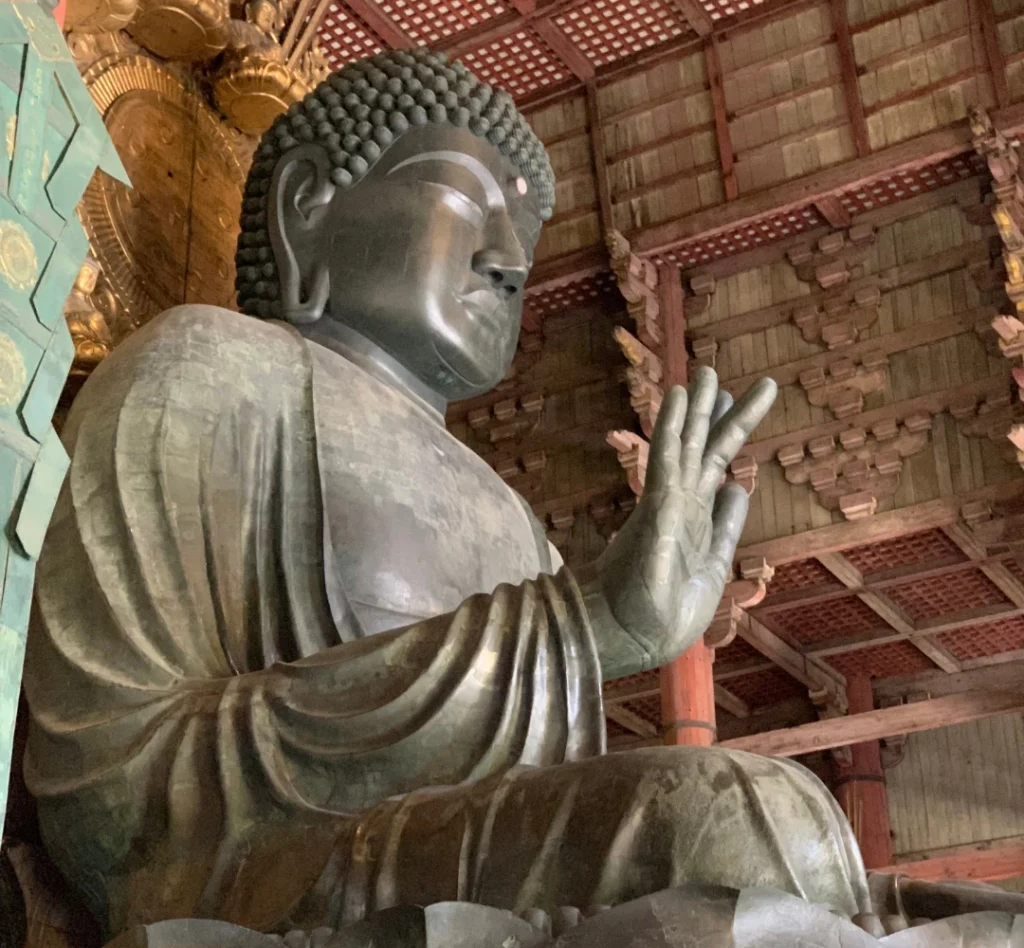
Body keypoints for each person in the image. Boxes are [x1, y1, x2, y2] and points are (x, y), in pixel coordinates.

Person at [24, 50, 870, 941]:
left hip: (456, 867)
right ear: (307, 204)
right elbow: (109, 795)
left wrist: (579, 627)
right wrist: (582, 627)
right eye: (468, 202)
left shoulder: (511, 517)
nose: (510, 262)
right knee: (729, 819)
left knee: (832, 853)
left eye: (523, 237)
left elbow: (540, 805)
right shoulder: (207, 368)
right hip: (262, 872)